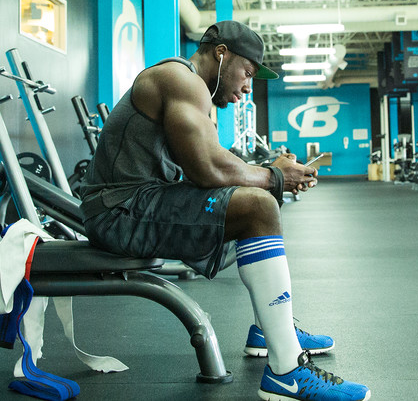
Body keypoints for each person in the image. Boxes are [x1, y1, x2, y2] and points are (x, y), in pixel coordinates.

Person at [80, 20, 371, 401]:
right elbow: (208, 170)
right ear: (221, 54)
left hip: (138, 202)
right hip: (118, 211)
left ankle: (271, 330)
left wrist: (272, 172)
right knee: (258, 207)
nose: (248, 87)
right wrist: (272, 178)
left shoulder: (191, 88)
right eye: (246, 73)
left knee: (255, 205)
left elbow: (211, 163)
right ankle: (287, 372)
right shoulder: (179, 80)